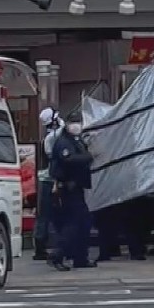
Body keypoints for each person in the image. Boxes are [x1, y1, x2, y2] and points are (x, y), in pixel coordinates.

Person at [49, 112, 97, 270]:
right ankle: (58, 255)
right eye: (74, 122)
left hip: (77, 186)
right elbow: (68, 159)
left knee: (84, 222)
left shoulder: (76, 140)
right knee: (72, 224)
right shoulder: (63, 142)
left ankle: (80, 258)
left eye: (79, 122)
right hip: (67, 188)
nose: (77, 125)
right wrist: (88, 157)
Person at [33, 107, 62, 261]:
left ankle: (46, 245)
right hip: (47, 181)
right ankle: (40, 248)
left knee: (49, 215)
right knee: (44, 215)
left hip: (48, 180)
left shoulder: (50, 137)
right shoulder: (51, 138)